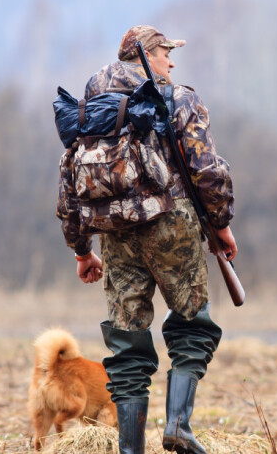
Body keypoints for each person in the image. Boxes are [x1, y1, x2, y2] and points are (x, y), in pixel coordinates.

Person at [57, 25, 237, 454]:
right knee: (193, 326)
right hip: (172, 224)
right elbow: (207, 170)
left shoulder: (91, 107)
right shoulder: (179, 99)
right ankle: (177, 427)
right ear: (147, 56)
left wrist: (81, 250)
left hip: (115, 234)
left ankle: (130, 449)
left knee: (127, 343)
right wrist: (221, 224)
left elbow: (68, 182)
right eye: (165, 53)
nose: (171, 62)